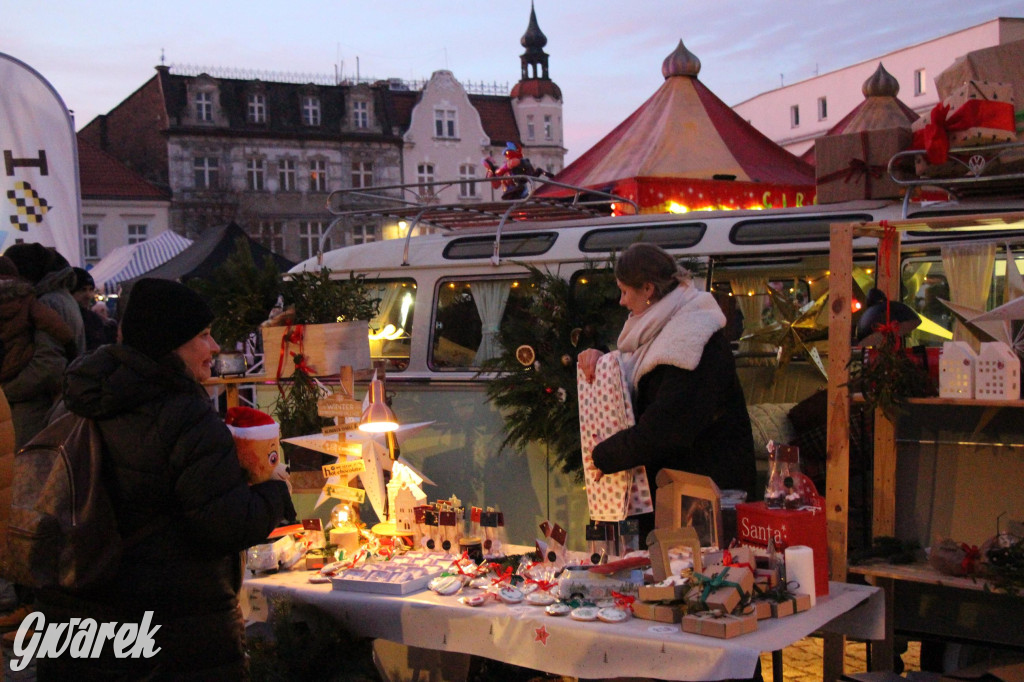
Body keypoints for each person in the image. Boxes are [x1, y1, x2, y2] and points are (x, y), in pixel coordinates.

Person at [36, 277, 294, 680]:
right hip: (173, 631)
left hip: (84, 619)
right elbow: (226, 525)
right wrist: (274, 486)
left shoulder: (78, 402)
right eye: (204, 336)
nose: (213, 348)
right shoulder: (186, 417)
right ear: (170, 342)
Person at [578, 243, 756, 543]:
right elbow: (635, 374)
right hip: (680, 489)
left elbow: (667, 426)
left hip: (705, 495)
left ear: (648, 289)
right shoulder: (664, 324)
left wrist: (604, 455)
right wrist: (601, 359)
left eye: (624, 291)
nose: (621, 302)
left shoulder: (690, 337)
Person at [71, 267, 117, 351]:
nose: (88, 295)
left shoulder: (94, 319)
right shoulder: (68, 317)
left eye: (91, 290)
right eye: (83, 290)